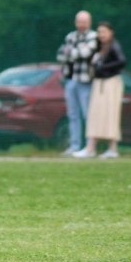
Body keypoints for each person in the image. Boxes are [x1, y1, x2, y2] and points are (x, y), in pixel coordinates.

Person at [74, 21, 126, 159]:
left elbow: (122, 61)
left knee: (110, 114)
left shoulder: (114, 46)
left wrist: (103, 67)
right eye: (99, 32)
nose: (101, 34)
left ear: (111, 32)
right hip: (99, 83)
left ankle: (112, 149)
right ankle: (91, 148)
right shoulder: (99, 47)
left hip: (110, 83)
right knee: (95, 114)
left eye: (104, 32)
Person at [56, 10, 98, 156]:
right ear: (76, 22)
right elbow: (60, 55)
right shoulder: (70, 37)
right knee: (72, 114)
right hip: (70, 79)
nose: (82, 24)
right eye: (79, 21)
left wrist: (72, 53)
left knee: (87, 114)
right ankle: (74, 146)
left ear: (89, 23)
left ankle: (90, 147)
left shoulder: (93, 37)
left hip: (86, 81)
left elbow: (86, 54)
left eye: (84, 22)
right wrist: (75, 53)